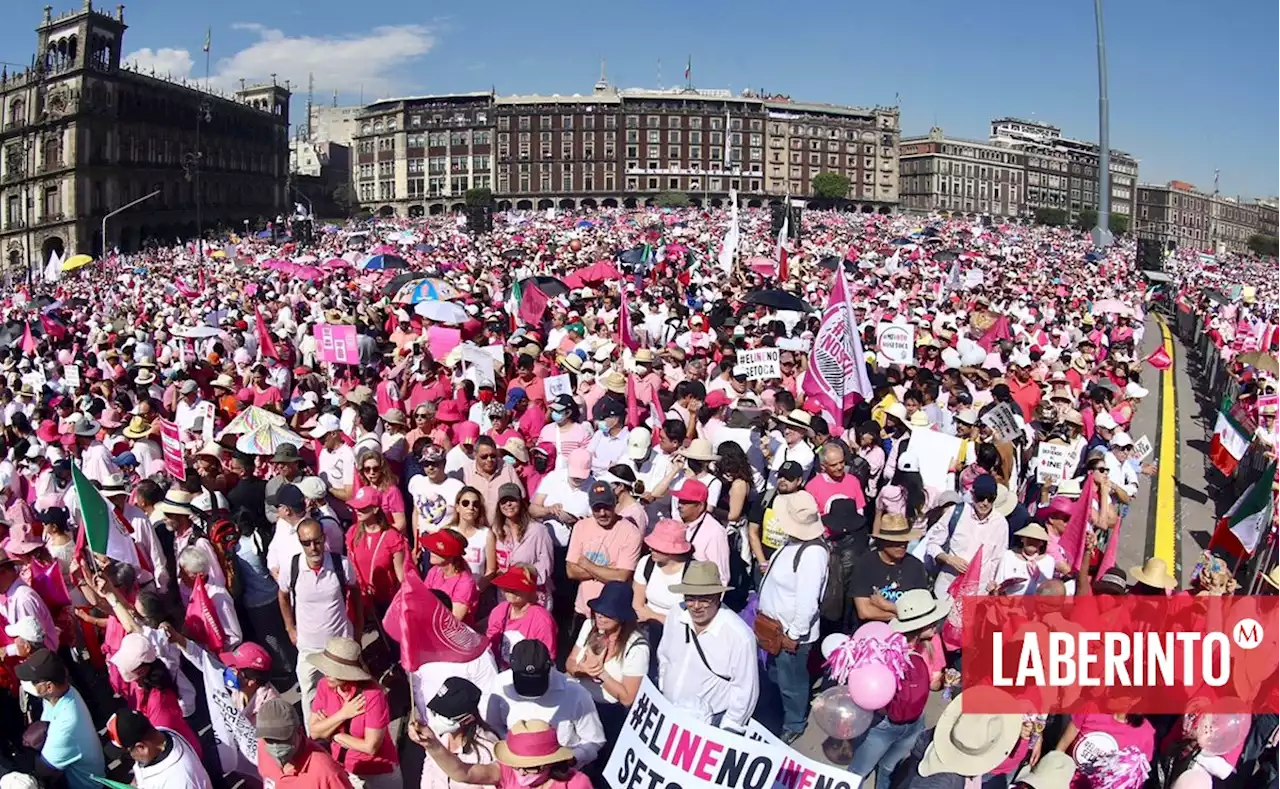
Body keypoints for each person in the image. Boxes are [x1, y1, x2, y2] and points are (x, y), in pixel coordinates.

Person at [847, 589, 948, 788]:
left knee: (888, 770)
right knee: (860, 772)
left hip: (914, 722)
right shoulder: (883, 648)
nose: (937, 626)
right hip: (885, 724)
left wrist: (944, 681)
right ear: (920, 626)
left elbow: (935, 683)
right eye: (932, 622)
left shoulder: (932, 642)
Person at [756, 490, 828, 743]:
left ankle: (794, 723)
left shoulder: (812, 553)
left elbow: (808, 601)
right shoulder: (794, 544)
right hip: (775, 628)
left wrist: (794, 635)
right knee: (778, 677)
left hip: (790, 634)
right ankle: (781, 715)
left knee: (792, 683)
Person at [657, 560, 758, 733]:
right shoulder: (675, 614)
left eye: (704, 599)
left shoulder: (739, 637)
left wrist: (729, 729)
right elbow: (665, 656)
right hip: (669, 712)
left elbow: (745, 689)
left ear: (719, 596)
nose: (696, 606)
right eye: (690, 598)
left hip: (710, 725)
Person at [278, 519, 361, 726]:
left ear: (324, 539)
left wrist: (357, 632)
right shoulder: (292, 566)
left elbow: (356, 594)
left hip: (339, 646)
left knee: (346, 693)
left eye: (316, 541)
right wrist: (290, 628)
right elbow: (283, 596)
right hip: (308, 647)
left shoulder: (341, 564)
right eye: (306, 543)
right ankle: (314, 737)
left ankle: (345, 734)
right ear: (300, 543)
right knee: (309, 694)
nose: (313, 548)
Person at [481, 639, 606, 767]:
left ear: (550, 667)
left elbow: (594, 740)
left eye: (535, 683)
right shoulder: (499, 683)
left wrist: (571, 759)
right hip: (516, 768)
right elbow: (493, 725)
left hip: (560, 772)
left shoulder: (575, 693)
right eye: (524, 682)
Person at [307, 636, 402, 789]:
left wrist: (333, 734)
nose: (327, 675)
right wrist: (343, 714)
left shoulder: (372, 694)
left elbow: (371, 747)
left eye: (334, 670)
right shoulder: (324, 686)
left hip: (378, 772)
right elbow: (314, 732)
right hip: (345, 769)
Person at [564, 580, 648, 754]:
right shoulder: (589, 626)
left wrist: (600, 673)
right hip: (579, 705)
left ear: (622, 615)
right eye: (598, 611)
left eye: (608, 613)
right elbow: (570, 663)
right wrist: (583, 671)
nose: (600, 616)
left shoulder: (637, 646)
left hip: (609, 715)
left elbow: (627, 698)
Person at [15, 649, 106, 789]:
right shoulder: (60, 695)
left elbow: (44, 769)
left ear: (49, 686)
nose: (28, 684)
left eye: (33, 682)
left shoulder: (67, 723)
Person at [412, 718, 592, 789]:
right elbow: (463, 772)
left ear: (551, 762)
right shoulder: (505, 772)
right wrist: (432, 744)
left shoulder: (577, 784)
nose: (520, 772)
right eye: (516, 764)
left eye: (531, 768)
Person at [565, 481, 642, 622]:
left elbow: (621, 577)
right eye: (597, 508)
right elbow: (571, 571)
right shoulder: (580, 527)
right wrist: (609, 571)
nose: (602, 513)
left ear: (615, 504)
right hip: (583, 610)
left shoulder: (631, 532)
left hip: (614, 614)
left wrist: (587, 565)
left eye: (606, 507)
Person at [409, 677, 499, 789]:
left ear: (467, 719)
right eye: (435, 712)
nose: (438, 718)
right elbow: (428, 777)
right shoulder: (435, 737)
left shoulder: (488, 748)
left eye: (446, 717)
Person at [255, 696, 354, 789]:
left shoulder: (326, 773)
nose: (275, 746)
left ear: (299, 731)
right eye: (269, 740)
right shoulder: (263, 747)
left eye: (283, 739)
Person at [850, 513, 930, 626]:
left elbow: (921, 608)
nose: (902, 546)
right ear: (883, 542)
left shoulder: (915, 565)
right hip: (874, 629)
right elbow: (865, 612)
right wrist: (904, 614)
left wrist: (886, 606)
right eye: (897, 543)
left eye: (905, 541)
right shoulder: (865, 564)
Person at [107, 708, 212, 789]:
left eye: (127, 754)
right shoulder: (161, 733)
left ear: (141, 747)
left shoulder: (180, 782)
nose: (131, 758)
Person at [485, 565, 557, 670]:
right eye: (507, 585)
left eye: (516, 587)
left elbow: (547, 657)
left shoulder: (542, 619)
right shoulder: (499, 611)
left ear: (530, 590)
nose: (510, 589)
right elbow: (490, 646)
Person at [421, 529, 480, 623]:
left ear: (451, 555)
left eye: (436, 550)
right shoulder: (434, 571)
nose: (431, 551)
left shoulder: (465, 583)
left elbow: (454, 619)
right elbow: (422, 599)